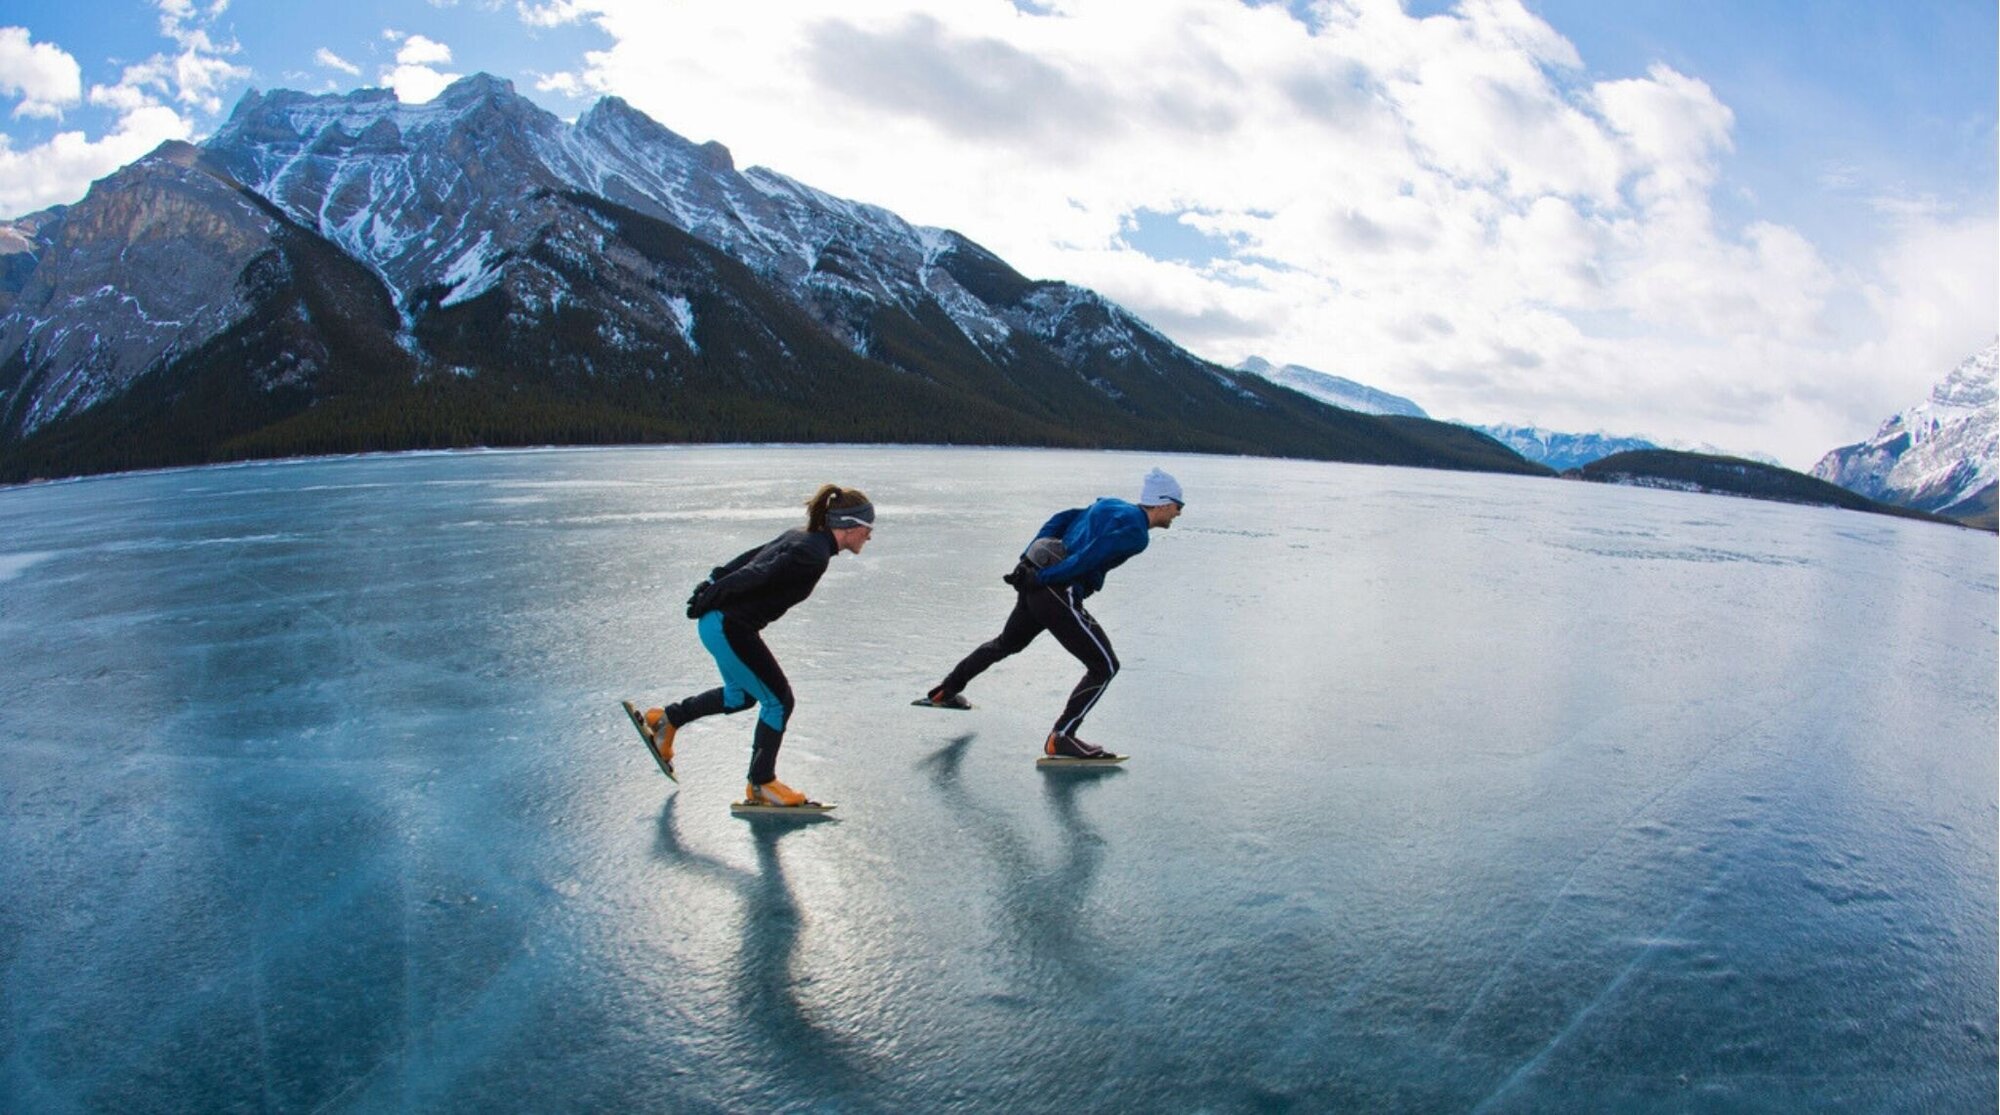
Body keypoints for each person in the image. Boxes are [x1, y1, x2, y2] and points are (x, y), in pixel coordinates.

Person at [626, 484, 875, 806]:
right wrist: (711, 594)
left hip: (722, 623)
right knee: (779, 702)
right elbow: (755, 572)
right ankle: (762, 785)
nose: (869, 537)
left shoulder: (801, 538)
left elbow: (747, 560)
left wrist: (711, 585)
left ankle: (667, 720)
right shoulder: (811, 554)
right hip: (728, 625)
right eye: (868, 529)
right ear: (850, 526)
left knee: (740, 696)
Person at [917, 467, 1184, 759]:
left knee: (1006, 643)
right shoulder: (1136, 533)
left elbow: (1062, 518)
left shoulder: (1111, 504)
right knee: (1105, 666)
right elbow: (1088, 558)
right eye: (1178, 506)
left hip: (1038, 586)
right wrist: (1043, 579)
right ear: (1163, 503)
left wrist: (1026, 560)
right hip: (1056, 590)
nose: (1179, 513)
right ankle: (1062, 737)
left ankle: (946, 690)